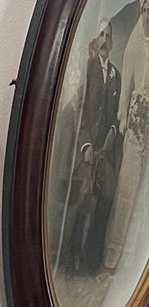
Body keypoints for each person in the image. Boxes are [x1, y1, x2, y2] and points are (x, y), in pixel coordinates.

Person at [62, 19, 122, 274]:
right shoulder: (87, 69)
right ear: (96, 41)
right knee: (83, 197)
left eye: (108, 36)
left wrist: (110, 134)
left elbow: (114, 115)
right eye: (101, 35)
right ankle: (70, 259)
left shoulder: (115, 75)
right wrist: (86, 144)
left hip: (104, 150)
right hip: (84, 149)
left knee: (108, 194)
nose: (105, 40)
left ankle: (91, 261)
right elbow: (80, 112)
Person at [105, 0, 149, 274]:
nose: (147, 16)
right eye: (145, 10)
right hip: (135, 125)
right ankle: (112, 258)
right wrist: (124, 119)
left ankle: (133, 261)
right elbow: (126, 91)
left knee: (143, 192)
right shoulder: (134, 46)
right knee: (127, 187)